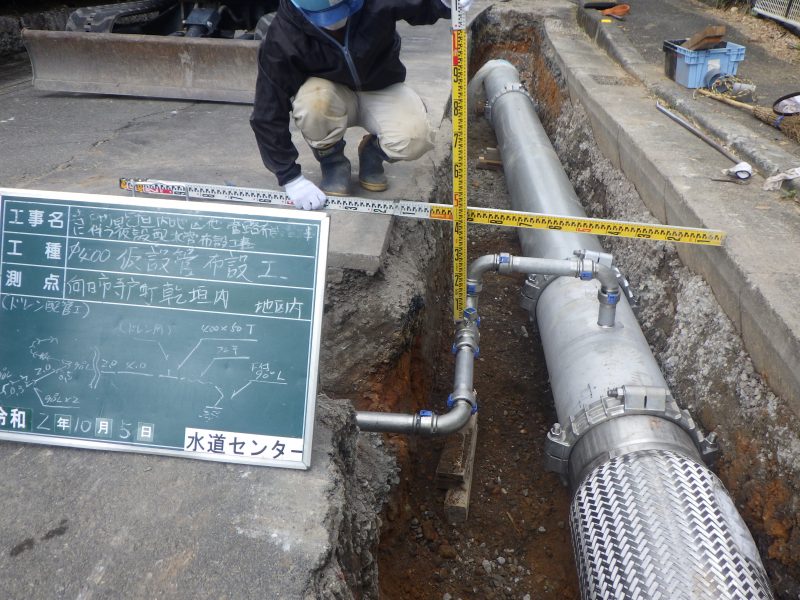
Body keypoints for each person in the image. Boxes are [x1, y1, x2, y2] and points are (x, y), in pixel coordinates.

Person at [250, 0, 472, 210]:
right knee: (312, 106)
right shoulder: (282, 36)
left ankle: (372, 153)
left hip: (380, 86)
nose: (333, 22)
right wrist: (291, 178)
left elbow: (416, 5)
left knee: (416, 138)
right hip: (329, 95)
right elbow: (267, 113)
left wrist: (444, 4)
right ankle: (332, 161)